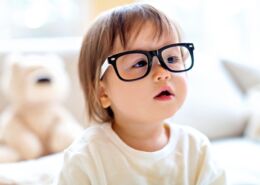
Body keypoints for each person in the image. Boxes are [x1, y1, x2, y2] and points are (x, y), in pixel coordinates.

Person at [55, 3, 226, 185]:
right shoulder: (86, 158)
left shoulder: (196, 150)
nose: (162, 72)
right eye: (139, 63)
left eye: (171, 58)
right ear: (103, 92)